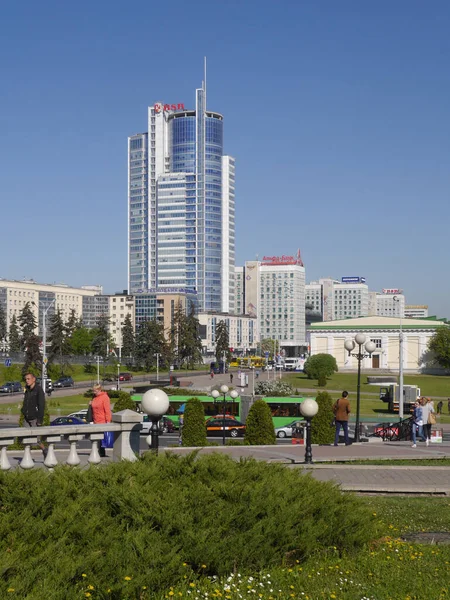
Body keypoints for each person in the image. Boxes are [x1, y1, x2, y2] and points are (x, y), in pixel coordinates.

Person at [22, 372, 46, 455]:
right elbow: (25, 402)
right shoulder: (27, 390)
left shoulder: (39, 390)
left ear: (33, 379)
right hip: (26, 417)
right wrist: (23, 411)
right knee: (25, 437)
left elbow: (41, 405)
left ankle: (44, 450)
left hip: (34, 418)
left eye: (28, 379)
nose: (27, 381)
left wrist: (39, 420)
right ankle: (27, 455)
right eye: (26, 379)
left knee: (36, 439)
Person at [89, 384, 112, 457]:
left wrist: (108, 421)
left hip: (102, 421)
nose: (94, 392)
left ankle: (102, 452)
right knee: (97, 438)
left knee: (101, 438)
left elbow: (107, 410)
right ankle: (98, 451)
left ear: (99, 390)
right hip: (95, 420)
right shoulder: (94, 398)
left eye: (95, 391)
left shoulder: (105, 397)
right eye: (93, 391)